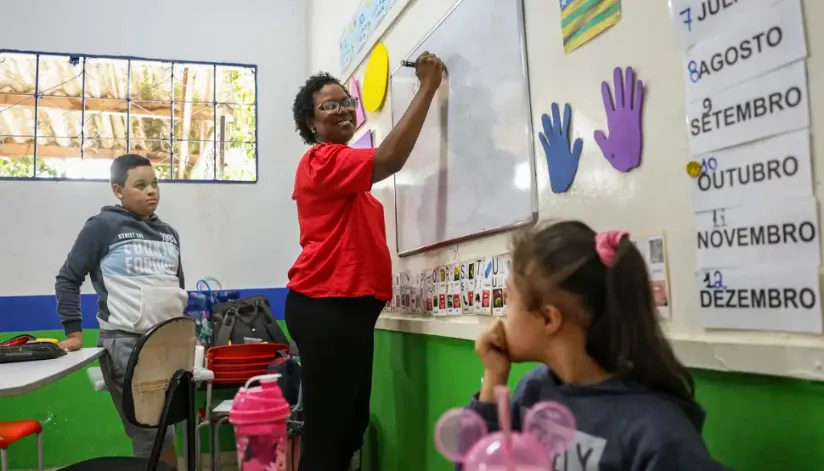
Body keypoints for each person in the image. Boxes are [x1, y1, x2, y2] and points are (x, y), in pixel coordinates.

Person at [287, 51, 444, 471]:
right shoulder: (322, 160)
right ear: (311, 123)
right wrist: (428, 87)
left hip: (345, 311)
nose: (342, 109)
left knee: (347, 426)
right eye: (329, 105)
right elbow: (390, 159)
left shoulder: (348, 179)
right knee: (329, 433)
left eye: (345, 102)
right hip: (326, 306)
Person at [470, 221, 730, 470]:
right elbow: (479, 463)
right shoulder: (534, 390)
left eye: (508, 299)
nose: (500, 316)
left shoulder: (657, 432)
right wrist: (494, 376)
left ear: (549, 319)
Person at [55, 154, 186, 469]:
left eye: (154, 183)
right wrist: (74, 332)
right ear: (118, 190)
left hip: (168, 345)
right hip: (126, 343)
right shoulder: (103, 226)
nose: (151, 191)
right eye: (140, 185)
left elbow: (178, 286)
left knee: (166, 433)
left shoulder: (169, 233)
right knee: (148, 436)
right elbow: (68, 279)